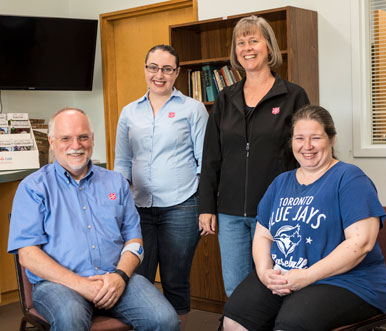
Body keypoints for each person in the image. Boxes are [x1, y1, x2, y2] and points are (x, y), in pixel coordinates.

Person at [222, 104, 386, 331]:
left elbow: (361, 243)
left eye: (316, 138)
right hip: (285, 275)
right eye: (299, 138)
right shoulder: (281, 182)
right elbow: (263, 236)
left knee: (292, 324)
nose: (307, 146)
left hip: (348, 282)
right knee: (235, 318)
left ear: (331, 139)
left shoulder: (349, 178)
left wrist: (307, 276)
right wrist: (264, 272)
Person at [8, 108, 180, 331]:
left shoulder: (116, 183)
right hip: (59, 285)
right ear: (51, 142)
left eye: (83, 137)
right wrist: (81, 285)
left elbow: (135, 242)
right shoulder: (33, 188)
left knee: (165, 320)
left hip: (115, 278)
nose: (76, 145)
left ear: (92, 139)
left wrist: (119, 277)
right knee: (71, 320)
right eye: (66, 139)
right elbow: (28, 256)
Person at [198, 15, 310, 297]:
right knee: (236, 290)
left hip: (277, 211)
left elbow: (306, 155)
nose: (247, 48)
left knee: (276, 288)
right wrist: (206, 206)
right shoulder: (225, 98)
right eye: (240, 42)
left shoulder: (293, 96)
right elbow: (211, 156)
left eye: (253, 40)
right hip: (231, 213)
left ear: (269, 47)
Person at [114, 45, 208, 325]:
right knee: (138, 278)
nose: (159, 75)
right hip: (138, 208)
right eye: (153, 67)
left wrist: (205, 207)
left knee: (175, 279)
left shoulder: (193, 109)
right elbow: (122, 162)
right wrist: (119, 207)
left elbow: (205, 161)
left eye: (167, 69)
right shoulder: (129, 112)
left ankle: (173, 326)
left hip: (181, 205)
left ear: (177, 72)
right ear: (145, 70)